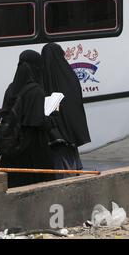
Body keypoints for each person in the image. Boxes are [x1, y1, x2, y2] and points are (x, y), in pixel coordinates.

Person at [0, 50, 54, 188]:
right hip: (32, 152)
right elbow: (38, 122)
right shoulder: (35, 91)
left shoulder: (11, 88)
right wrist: (52, 120)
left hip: (11, 150)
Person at [41, 43, 91, 178]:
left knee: (62, 172)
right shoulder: (70, 76)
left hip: (55, 137)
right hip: (71, 135)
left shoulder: (44, 78)